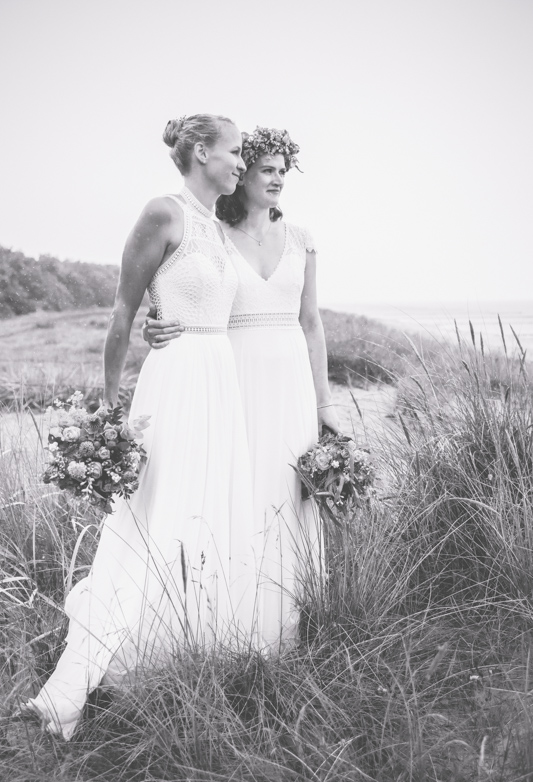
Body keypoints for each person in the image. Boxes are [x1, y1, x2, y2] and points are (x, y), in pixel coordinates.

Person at [25, 114, 257, 740]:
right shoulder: (163, 212)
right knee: (160, 509)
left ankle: (194, 638)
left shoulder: (217, 225)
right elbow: (124, 310)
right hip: (176, 378)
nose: (241, 162)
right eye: (235, 152)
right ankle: (117, 659)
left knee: (207, 506)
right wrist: (107, 413)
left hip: (219, 377)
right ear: (201, 151)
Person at [144, 126, 340, 649]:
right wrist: (155, 323)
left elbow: (313, 322)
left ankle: (287, 623)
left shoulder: (301, 238)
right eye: (266, 170)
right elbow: (185, 298)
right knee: (239, 491)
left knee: (286, 491)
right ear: (243, 175)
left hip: (293, 382)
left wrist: (325, 401)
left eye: (283, 171)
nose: (277, 180)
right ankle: (228, 621)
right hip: (235, 376)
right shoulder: (212, 235)